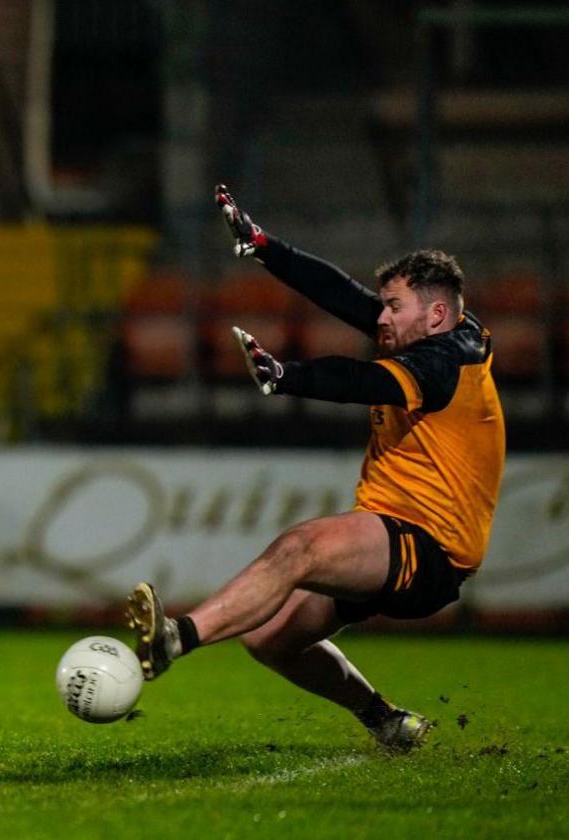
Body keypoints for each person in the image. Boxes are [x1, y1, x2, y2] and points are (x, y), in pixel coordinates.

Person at [125, 184, 506, 752]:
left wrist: (289, 377)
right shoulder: (436, 335)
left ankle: (176, 639)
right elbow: (340, 294)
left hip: (429, 547)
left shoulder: (447, 361)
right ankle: (386, 720)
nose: (380, 317)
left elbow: (361, 382)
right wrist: (262, 247)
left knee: (300, 548)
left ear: (436, 314)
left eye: (393, 306)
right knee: (267, 639)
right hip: (391, 532)